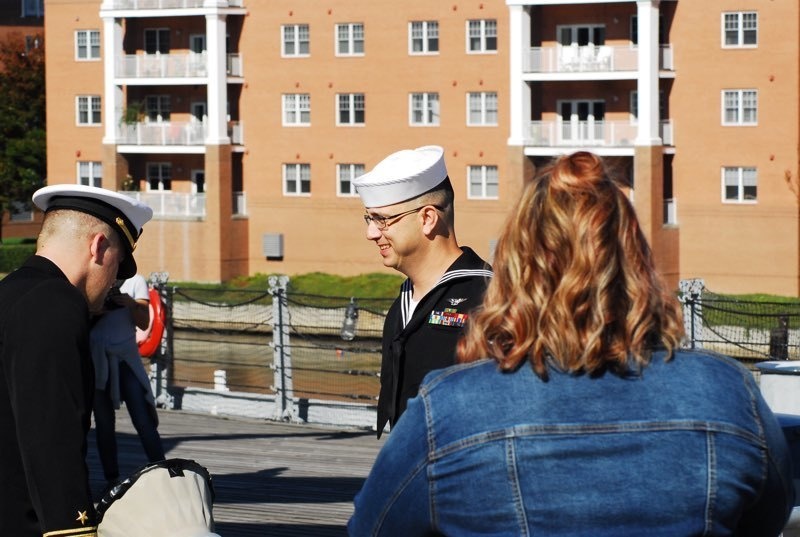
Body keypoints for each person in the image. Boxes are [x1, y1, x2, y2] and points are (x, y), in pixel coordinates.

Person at [349, 152, 795, 536]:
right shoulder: (728, 393)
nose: (372, 233)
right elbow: (769, 515)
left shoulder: (448, 407)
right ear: (636, 258)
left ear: (519, 262)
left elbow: (374, 527)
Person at [0, 184, 152, 537]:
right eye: (119, 265)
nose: (115, 280)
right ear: (98, 246)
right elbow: (51, 440)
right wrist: (74, 531)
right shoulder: (56, 304)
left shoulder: (13, 292)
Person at [353, 145, 492, 437]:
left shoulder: (490, 300)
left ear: (427, 218)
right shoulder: (401, 305)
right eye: (370, 219)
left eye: (383, 219)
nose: (371, 233)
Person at [91, 272, 166, 493]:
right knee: (104, 423)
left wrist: (130, 304)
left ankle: (162, 468)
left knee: (142, 417)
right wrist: (99, 309)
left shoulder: (136, 281)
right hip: (97, 359)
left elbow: (144, 324)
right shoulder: (93, 279)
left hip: (125, 359)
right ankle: (111, 478)